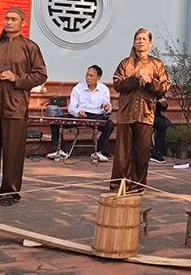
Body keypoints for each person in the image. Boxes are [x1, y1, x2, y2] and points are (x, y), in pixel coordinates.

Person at [0, 6, 47, 207]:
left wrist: (17, 78)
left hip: (15, 107)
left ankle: (10, 192)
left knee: (13, 152)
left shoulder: (30, 47)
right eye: (6, 18)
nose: (8, 22)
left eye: (13, 19)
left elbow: (41, 75)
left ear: (23, 23)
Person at [110, 28, 170, 191]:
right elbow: (118, 84)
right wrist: (134, 78)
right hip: (126, 113)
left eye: (144, 39)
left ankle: (138, 184)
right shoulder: (125, 63)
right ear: (134, 42)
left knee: (142, 152)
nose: (140, 41)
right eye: (138, 38)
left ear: (150, 43)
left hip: (146, 113)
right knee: (122, 153)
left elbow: (164, 86)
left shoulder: (157, 64)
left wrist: (150, 81)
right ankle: (118, 184)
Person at [46, 65, 114, 162]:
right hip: (79, 115)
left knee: (109, 125)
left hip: (96, 115)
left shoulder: (104, 89)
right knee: (55, 121)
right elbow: (71, 107)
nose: (88, 78)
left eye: (91, 76)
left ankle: (99, 152)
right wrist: (78, 113)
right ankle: (60, 150)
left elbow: (106, 106)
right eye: (87, 75)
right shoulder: (78, 88)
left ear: (98, 78)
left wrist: (107, 107)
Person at [150, 98, 171, 164]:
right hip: (143, 114)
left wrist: (163, 105)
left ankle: (157, 152)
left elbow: (161, 109)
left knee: (163, 123)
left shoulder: (158, 90)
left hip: (154, 115)